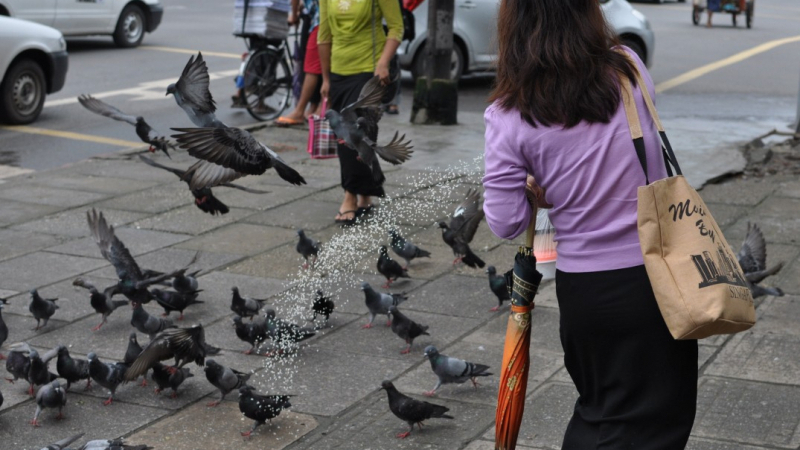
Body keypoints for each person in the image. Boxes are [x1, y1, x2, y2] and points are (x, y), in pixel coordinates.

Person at [482, 0, 698, 448]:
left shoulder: (508, 115)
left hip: (589, 290)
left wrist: (537, 192)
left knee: (603, 415)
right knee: (664, 418)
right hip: (664, 276)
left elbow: (505, 223)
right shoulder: (629, 69)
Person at [318, 0, 404, 225]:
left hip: (368, 70)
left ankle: (350, 194)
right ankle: (365, 193)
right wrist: (326, 78)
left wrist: (384, 62)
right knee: (345, 137)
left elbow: (396, 27)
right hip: (338, 71)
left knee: (357, 135)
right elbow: (324, 35)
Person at [276, 0, 323, 125]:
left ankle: (300, 111)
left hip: (321, 21)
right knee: (320, 65)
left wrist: (295, 15)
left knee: (312, 67)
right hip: (319, 18)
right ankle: (316, 106)